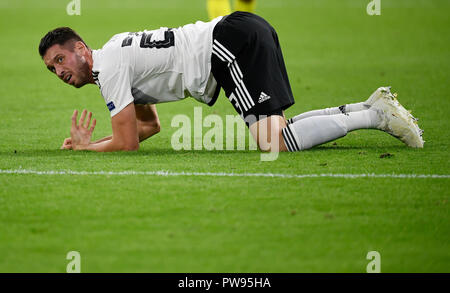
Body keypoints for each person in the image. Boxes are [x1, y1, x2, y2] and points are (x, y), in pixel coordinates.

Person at [38, 12, 424, 152]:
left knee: (274, 142)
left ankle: (376, 116)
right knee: (279, 132)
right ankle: (370, 108)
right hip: (235, 36)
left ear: (82, 50)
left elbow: (127, 143)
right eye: (52, 69)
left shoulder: (110, 69)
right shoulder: (115, 61)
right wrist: (103, 143)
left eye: (60, 59)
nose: (59, 72)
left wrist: (88, 148)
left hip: (228, 45)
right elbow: (146, 127)